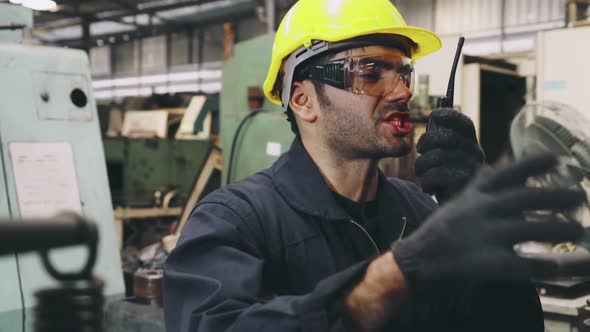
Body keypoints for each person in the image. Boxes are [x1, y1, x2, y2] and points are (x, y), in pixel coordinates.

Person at [163, 0, 586, 331]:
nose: (401, 91)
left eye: (404, 73)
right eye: (370, 72)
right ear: (303, 99)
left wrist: (488, 241)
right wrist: (394, 275)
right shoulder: (234, 222)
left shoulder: (422, 214)